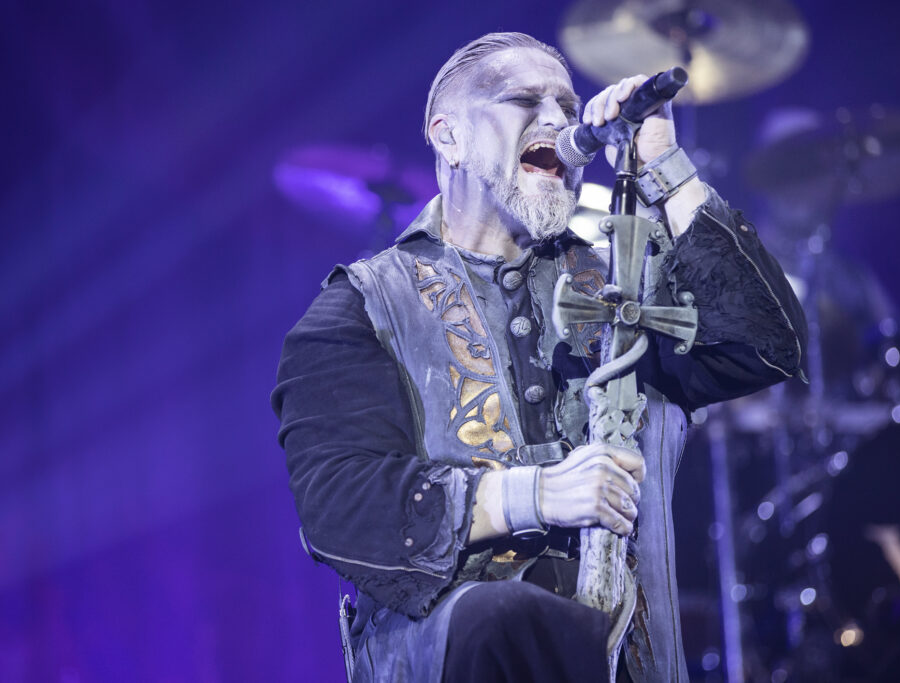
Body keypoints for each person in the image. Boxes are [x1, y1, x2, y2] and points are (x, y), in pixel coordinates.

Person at [272, 32, 807, 683]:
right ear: (449, 138)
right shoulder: (361, 307)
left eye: (566, 104)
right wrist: (534, 494)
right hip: (450, 661)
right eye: (524, 100)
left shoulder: (622, 288)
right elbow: (339, 507)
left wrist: (665, 163)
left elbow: (768, 343)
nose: (558, 121)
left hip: (624, 665)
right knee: (501, 617)